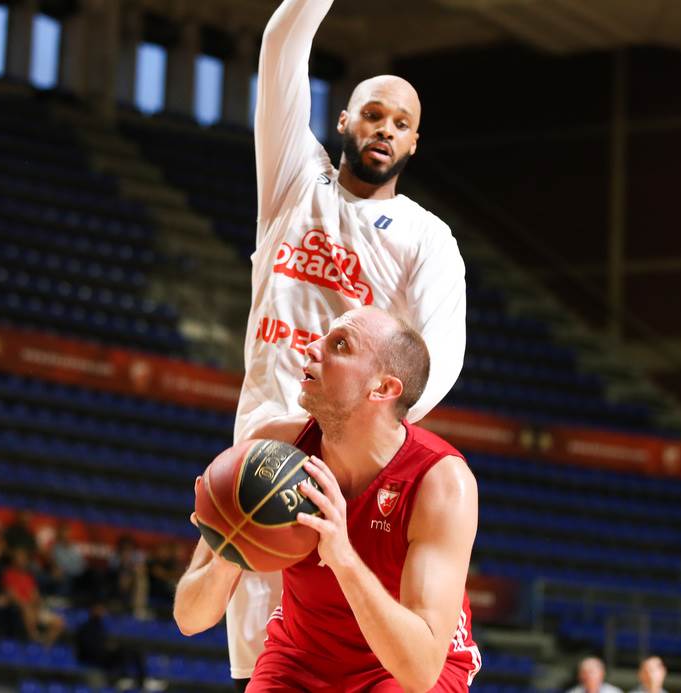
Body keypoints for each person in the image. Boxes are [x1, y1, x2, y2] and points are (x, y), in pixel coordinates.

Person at [229, 0, 468, 683]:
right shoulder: (291, 184)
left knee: (343, 660)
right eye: (372, 113)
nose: (385, 129)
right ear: (342, 120)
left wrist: (348, 439)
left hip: (343, 481)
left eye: (401, 123)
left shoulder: (428, 238)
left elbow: (433, 366)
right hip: (258, 462)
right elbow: (281, 43)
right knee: (260, 666)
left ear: (414, 143)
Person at [176, 308, 480, 691]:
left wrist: (343, 557)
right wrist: (229, 547)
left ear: (383, 389)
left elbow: (420, 670)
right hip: (301, 659)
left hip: (402, 668)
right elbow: (190, 618)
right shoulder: (273, 447)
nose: (311, 346)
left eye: (340, 345)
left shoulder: (441, 481)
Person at [3, 548, 64, 646]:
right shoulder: (9, 574)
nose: (22, 562)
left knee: (59, 622)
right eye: (19, 559)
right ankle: (34, 638)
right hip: (19, 608)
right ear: (14, 561)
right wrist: (26, 604)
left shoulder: (29, 576)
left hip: (34, 608)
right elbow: (12, 594)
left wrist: (37, 603)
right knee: (27, 609)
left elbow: (35, 594)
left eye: (23, 559)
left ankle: (46, 645)